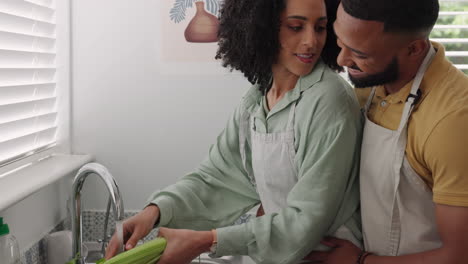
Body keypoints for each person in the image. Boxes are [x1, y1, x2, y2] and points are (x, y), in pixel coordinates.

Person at [106, 0, 363, 263]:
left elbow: (306, 219)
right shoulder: (256, 101)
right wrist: (155, 211)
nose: (311, 41)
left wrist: (207, 241)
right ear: (259, 28)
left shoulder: (330, 101)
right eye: (295, 27)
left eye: (320, 28)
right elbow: (216, 179)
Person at [307, 0, 468, 263]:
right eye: (339, 40)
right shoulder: (369, 82)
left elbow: (460, 255)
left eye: (359, 53)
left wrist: (361, 261)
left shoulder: (454, 122)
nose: (341, 59)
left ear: (414, 49)